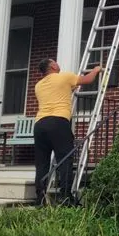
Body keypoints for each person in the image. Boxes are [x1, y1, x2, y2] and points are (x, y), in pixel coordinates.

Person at [34, 58, 101, 205]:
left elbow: (55, 92)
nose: (58, 63)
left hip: (39, 125)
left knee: (42, 164)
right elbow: (87, 80)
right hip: (58, 122)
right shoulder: (64, 77)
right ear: (52, 66)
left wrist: (69, 88)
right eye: (55, 62)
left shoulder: (38, 85)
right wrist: (95, 70)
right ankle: (65, 197)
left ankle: (40, 199)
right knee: (65, 160)